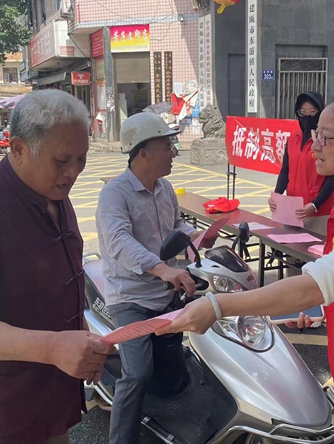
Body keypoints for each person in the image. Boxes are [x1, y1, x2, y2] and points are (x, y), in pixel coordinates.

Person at [160, 92, 334, 444]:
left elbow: (313, 286)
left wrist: (217, 306)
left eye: (326, 136)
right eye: (315, 134)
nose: (315, 145)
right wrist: (325, 311)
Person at [0, 90, 116, 444]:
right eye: (61, 160)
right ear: (17, 149)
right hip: (0, 409)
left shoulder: (54, 196)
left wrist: (82, 340)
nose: (73, 172)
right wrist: (53, 347)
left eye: (81, 158)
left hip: (51, 400)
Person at [95, 112, 217, 444]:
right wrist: (163, 269)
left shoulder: (164, 189)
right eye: (167, 146)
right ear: (143, 153)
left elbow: (176, 226)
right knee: (137, 373)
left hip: (166, 291)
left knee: (181, 361)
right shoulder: (114, 194)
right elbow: (119, 242)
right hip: (130, 297)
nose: (174, 152)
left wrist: (197, 237)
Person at [269, 92, 334, 235]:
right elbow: (285, 171)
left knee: (314, 248)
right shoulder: (293, 139)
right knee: (289, 247)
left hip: (318, 212)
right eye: (303, 112)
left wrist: (315, 204)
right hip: (292, 209)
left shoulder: (326, 141)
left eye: (312, 112)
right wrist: (276, 195)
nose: (307, 116)